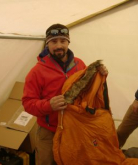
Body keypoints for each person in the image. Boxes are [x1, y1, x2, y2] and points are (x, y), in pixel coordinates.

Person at [22, 23, 108, 165]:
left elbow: (89, 89)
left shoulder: (80, 64)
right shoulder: (36, 72)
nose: (58, 46)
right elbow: (27, 103)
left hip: (75, 128)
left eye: (63, 41)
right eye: (54, 42)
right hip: (48, 132)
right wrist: (49, 105)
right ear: (47, 44)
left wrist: (101, 75)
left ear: (68, 41)